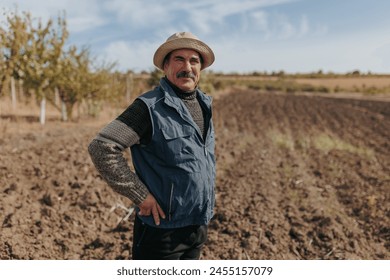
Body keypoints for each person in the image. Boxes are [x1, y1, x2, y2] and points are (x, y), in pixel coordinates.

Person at [88, 32, 216, 260]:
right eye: (179, 59)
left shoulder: (204, 104)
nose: (187, 67)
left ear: (200, 68)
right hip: (161, 232)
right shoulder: (148, 108)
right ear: (165, 66)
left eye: (194, 60)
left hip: (197, 225)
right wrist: (139, 194)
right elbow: (101, 147)